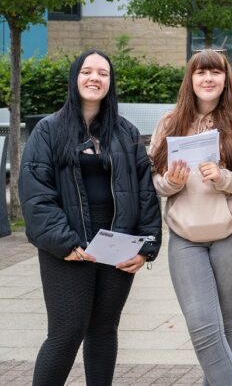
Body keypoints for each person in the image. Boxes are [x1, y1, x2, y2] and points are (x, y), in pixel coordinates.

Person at [19, 49, 162, 386]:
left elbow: (145, 193)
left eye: (103, 73)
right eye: (87, 71)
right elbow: (36, 194)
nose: (95, 78)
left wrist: (146, 247)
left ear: (110, 83)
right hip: (69, 247)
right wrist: (63, 242)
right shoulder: (48, 131)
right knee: (67, 331)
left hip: (118, 244)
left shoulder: (125, 133)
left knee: (103, 329)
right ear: (75, 78)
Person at [149, 49, 232, 385]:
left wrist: (223, 178)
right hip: (185, 237)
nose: (207, 79)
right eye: (200, 72)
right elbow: (154, 181)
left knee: (224, 319)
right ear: (190, 79)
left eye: (215, 73)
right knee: (203, 325)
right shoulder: (169, 123)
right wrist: (170, 183)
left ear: (225, 79)